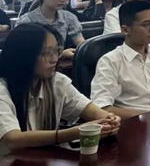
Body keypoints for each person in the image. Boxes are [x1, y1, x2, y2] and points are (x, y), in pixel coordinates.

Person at [0, 24, 120, 153]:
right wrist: (72, 133)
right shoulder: (3, 89)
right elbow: (12, 139)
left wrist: (110, 120)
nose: (54, 59)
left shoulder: (56, 81)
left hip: (42, 160)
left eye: (57, 51)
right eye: (47, 53)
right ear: (23, 55)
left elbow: (90, 110)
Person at [16, 0, 84, 58]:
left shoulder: (69, 17)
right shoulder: (26, 21)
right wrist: (61, 54)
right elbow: (23, 53)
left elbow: (82, 45)